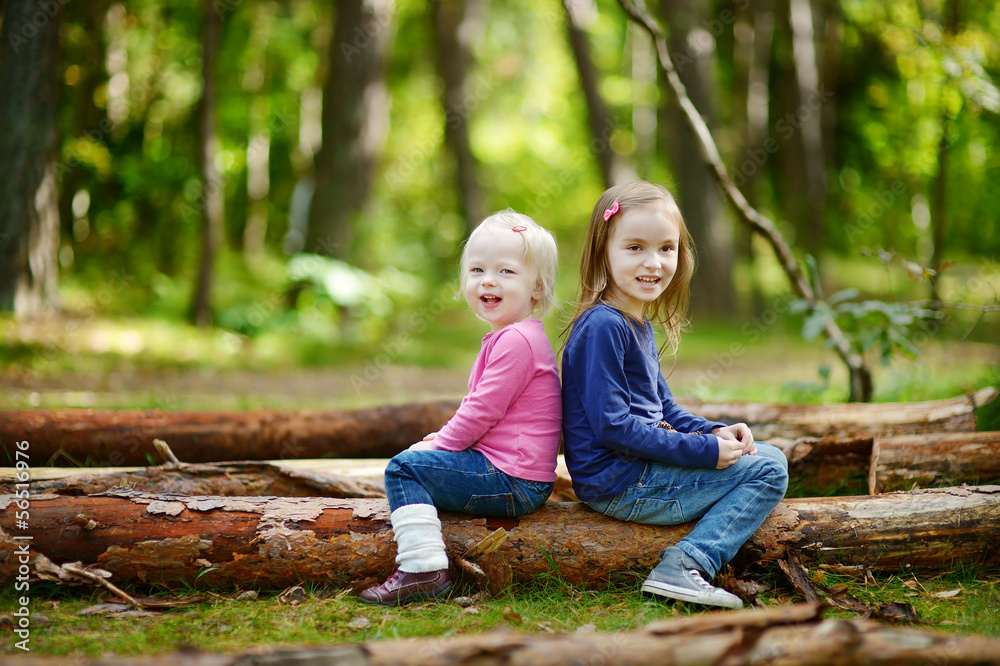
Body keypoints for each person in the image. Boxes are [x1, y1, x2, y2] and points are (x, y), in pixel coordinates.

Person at [560, 181, 788, 610]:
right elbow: (613, 427)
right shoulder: (603, 327)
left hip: (636, 470)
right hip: (619, 482)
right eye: (635, 248)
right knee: (769, 473)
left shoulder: (636, 324)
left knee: (770, 457)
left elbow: (664, 409)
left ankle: (690, 555)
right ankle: (686, 565)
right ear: (602, 251)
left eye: (667, 248)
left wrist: (716, 431)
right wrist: (703, 451)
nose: (654, 262)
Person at [360, 210, 562, 606]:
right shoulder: (510, 336)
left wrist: (442, 447)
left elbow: (482, 411)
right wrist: (443, 440)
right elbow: (482, 406)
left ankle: (423, 569)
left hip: (513, 479)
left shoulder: (516, 341)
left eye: (506, 272)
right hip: (513, 471)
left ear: (536, 288)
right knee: (423, 460)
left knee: (404, 468)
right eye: (477, 270)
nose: (488, 280)